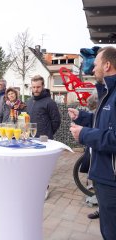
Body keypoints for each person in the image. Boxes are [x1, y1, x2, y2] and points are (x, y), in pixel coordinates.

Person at [68, 46, 116, 239]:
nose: (92, 69)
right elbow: (104, 124)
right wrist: (82, 117)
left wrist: (84, 135)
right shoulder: (108, 92)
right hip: (104, 175)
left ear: (107, 65)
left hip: (111, 180)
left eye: (95, 64)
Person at [26, 75, 61, 199]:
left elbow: (56, 120)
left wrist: (48, 133)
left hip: (44, 140)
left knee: (42, 167)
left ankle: (44, 188)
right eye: (33, 87)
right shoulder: (29, 101)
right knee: (31, 165)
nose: (36, 89)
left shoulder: (49, 102)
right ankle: (33, 187)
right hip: (30, 138)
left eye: (38, 87)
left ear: (43, 86)